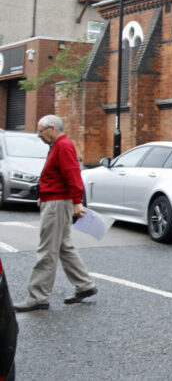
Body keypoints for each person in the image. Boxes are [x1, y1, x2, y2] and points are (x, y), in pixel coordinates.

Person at [13, 115, 97, 313]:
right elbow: (57, 175)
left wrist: (77, 202)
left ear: (51, 128)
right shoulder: (58, 146)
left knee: (47, 250)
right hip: (54, 200)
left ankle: (37, 297)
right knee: (63, 246)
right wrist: (44, 194)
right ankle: (85, 285)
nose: (39, 136)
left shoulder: (63, 146)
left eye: (41, 131)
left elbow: (72, 174)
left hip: (58, 204)